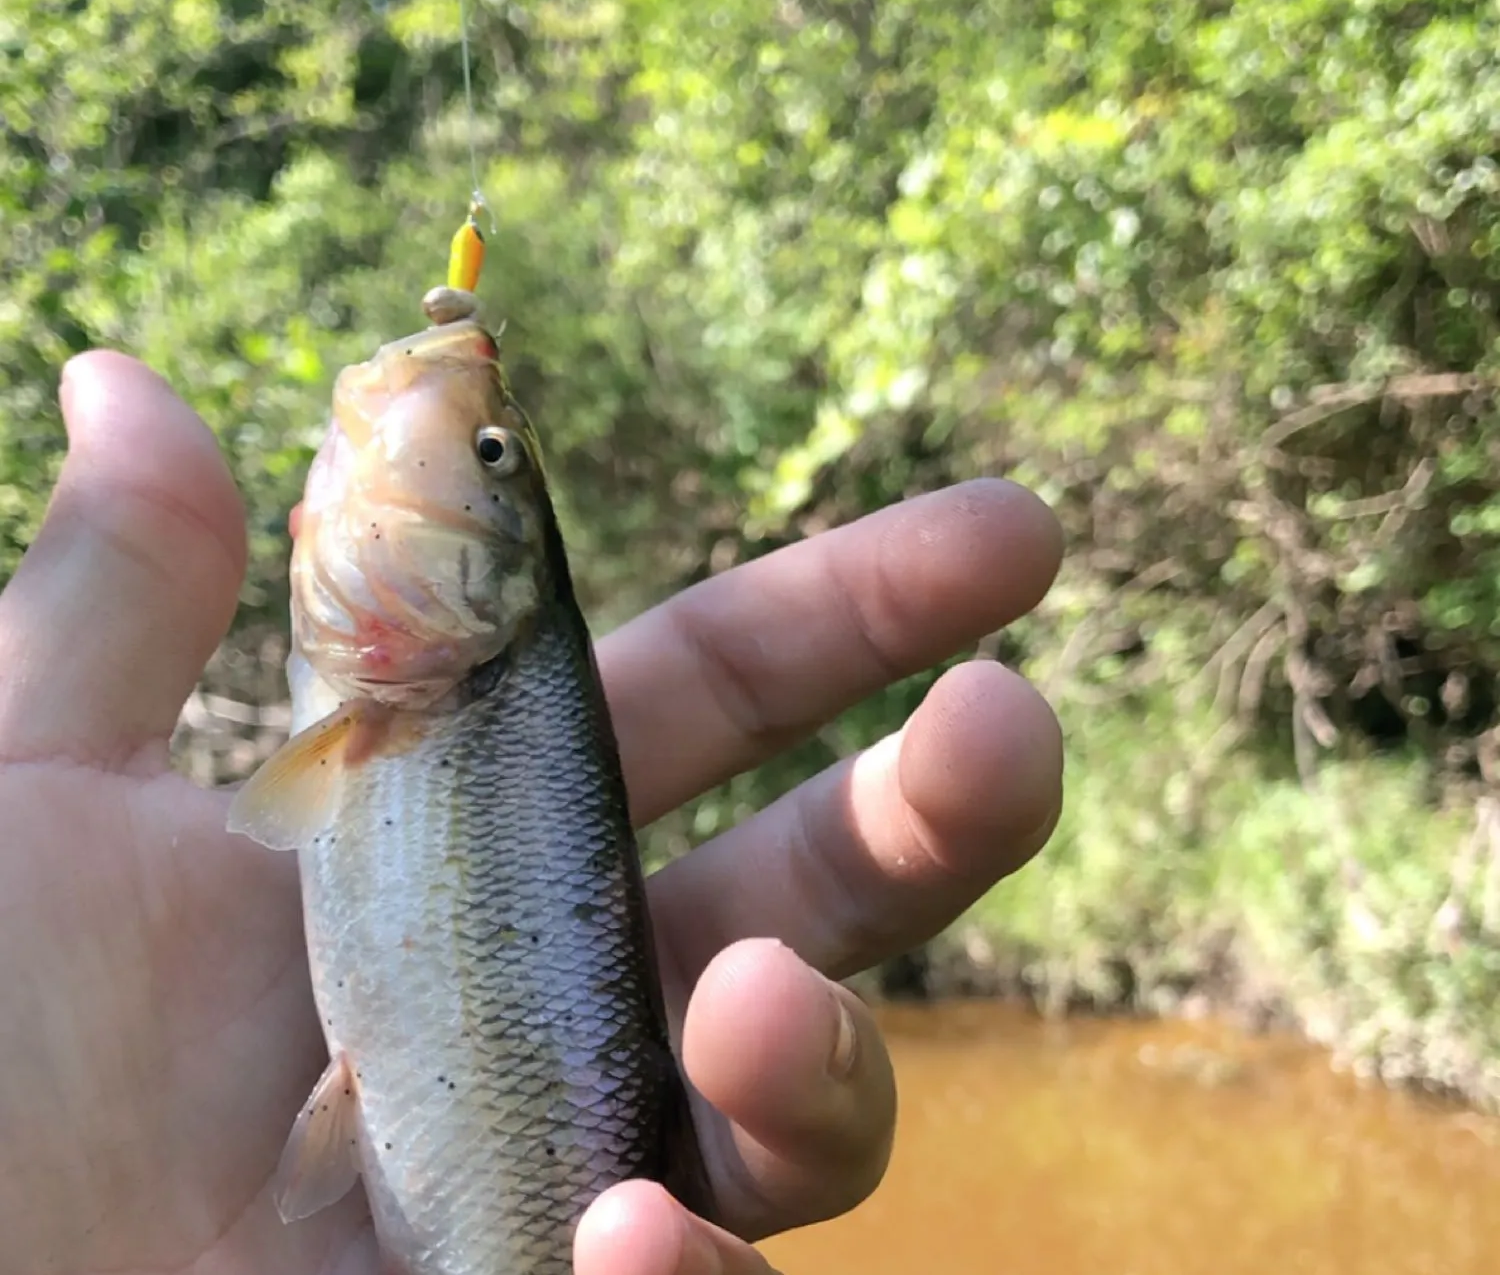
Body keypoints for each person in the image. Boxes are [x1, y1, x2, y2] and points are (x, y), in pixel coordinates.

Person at [0, 350, 1064, 1275]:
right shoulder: (409, 696)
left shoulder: (417, 693)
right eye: (494, 450)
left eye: (489, 454)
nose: (452, 416)